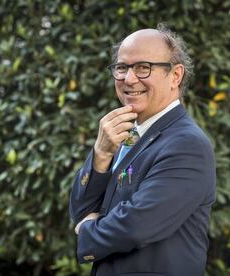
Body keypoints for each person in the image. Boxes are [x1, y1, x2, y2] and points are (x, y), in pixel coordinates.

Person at [69, 24, 216, 276]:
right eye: (121, 67)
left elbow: (138, 225)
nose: (128, 79)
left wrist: (87, 232)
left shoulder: (187, 144)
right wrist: (101, 153)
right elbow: (81, 211)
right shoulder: (125, 135)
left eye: (143, 67)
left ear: (175, 75)